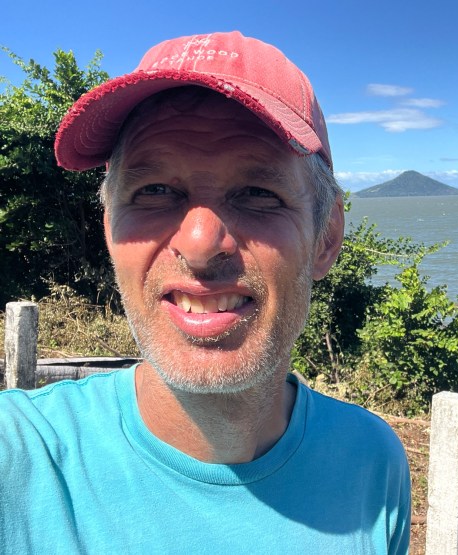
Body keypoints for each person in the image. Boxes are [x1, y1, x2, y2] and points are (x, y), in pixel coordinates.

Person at [0, 31, 411, 554]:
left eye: (258, 193)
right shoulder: (18, 458)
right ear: (109, 229)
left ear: (326, 238)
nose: (199, 245)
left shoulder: (371, 464)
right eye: (153, 191)